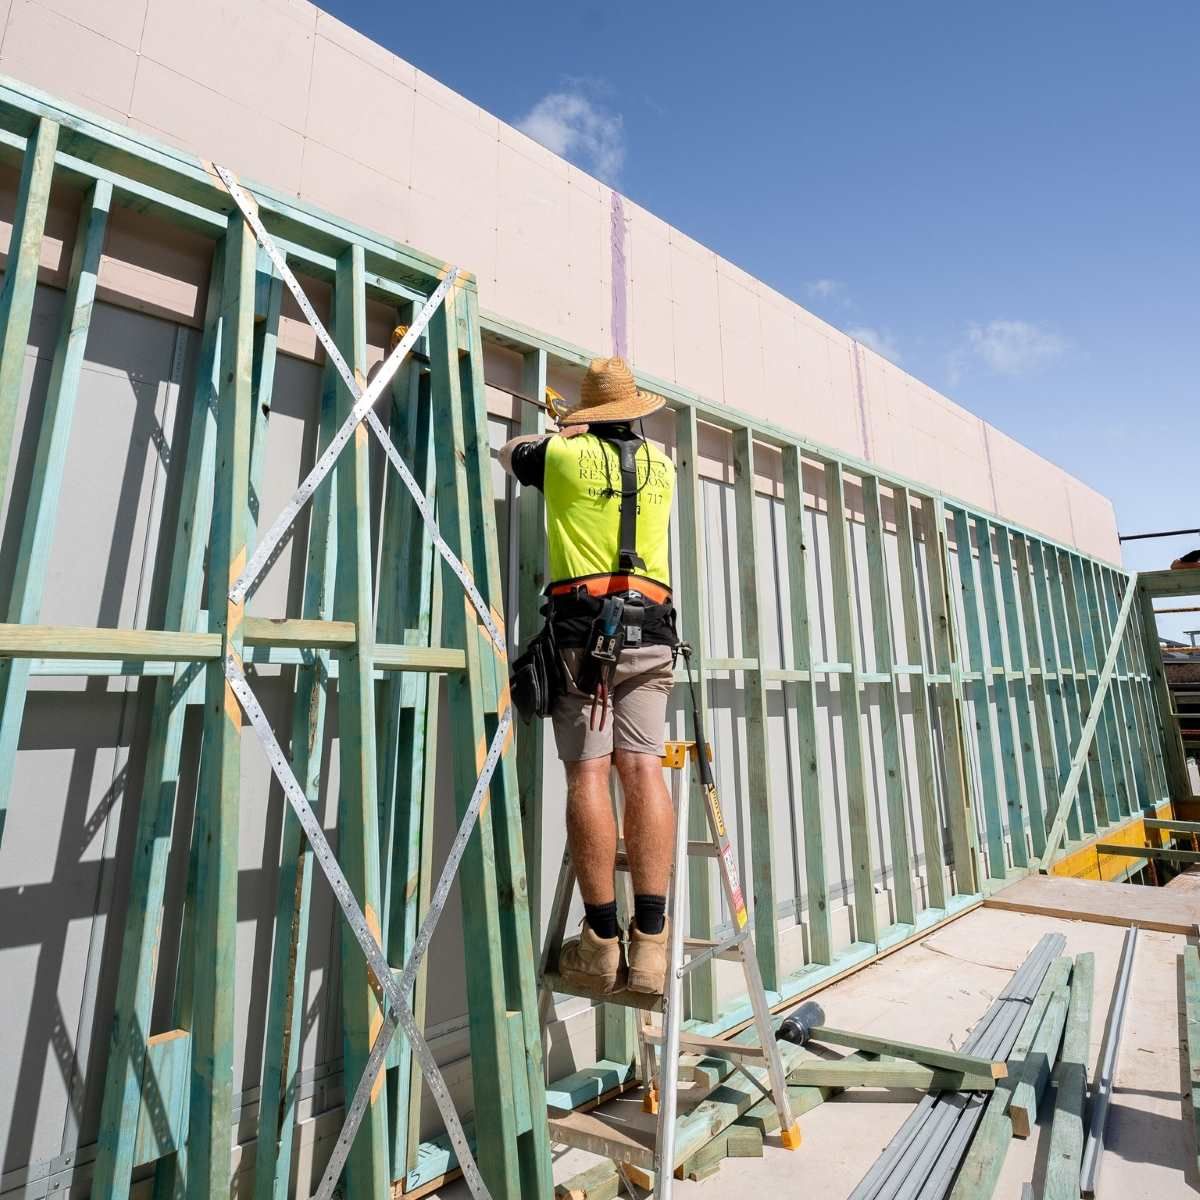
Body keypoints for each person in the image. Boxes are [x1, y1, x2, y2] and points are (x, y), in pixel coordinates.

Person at [501, 357, 677, 997]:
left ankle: (601, 943)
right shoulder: (663, 466)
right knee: (644, 770)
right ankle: (652, 942)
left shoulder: (563, 459)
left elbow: (509, 449)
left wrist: (562, 434)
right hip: (652, 633)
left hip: (585, 641)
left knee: (589, 774)